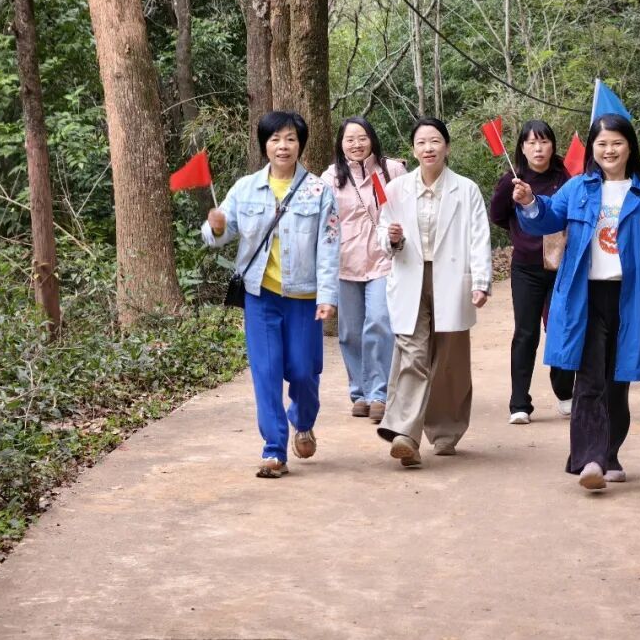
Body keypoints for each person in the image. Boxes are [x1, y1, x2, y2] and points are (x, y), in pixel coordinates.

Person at [512, 113, 640, 492]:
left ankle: (609, 454)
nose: (609, 150)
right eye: (602, 143)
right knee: (589, 379)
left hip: (631, 298)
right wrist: (529, 202)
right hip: (585, 297)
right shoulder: (577, 189)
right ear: (592, 148)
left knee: (618, 381)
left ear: (630, 147)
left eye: (616, 143)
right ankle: (590, 458)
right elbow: (547, 217)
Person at [202, 111, 339, 479]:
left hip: (304, 298)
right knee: (266, 373)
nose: (283, 146)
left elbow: (329, 247)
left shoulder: (319, 191)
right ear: (265, 144)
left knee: (303, 371)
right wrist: (216, 228)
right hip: (260, 296)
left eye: (290, 139)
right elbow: (219, 233)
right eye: (275, 139)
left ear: (300, 144)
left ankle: (303, 421)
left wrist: (328, 296)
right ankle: (274, 449)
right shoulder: (245, 188)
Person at [375, 117, 492, 468]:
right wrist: (392, 239)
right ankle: (405, 435)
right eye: (421, 143)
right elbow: (383, 233)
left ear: (447, 147)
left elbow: (479, 236)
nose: (428, 148)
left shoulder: (466, 189)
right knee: (412, 354)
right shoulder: (396, 189)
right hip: (410, 276)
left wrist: (481, 281)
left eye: (435, 141)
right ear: (413, 150)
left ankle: (445, 432)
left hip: (452, 279)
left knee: (449, 361)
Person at [321, 117, 407, 423]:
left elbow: (405, 211)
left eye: (362, 138)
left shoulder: (392, 170)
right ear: (341, 144)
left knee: (380, 322)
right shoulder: (331, 178)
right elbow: (324, 223)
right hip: (345, 264)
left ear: (372, 139)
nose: (356, 144)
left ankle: (379, 394)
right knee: (350, 332)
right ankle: (359, 393)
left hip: (384, 260)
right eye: (349, 139)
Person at [489, 120, 574, 424]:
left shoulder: (565, 178)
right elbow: (497, 215)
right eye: (531, 142)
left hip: (560, 267)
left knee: (561, 329)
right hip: (526, 268)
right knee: (525, 333)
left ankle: (565, 393)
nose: (538, 148)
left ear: (553, 145)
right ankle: (519, 403)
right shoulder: (511, 180)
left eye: (544, 141)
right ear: (522, 148)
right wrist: (521, 232)